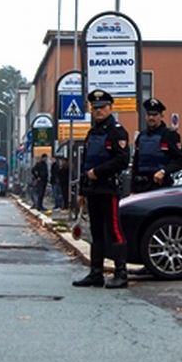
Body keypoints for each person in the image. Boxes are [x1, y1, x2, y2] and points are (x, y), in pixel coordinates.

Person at [73, 89, 132, 289]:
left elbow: (122, 160)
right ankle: (96, 273)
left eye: (102, 107)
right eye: (95, 107)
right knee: (96, 232)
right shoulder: (92, 133)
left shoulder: (117, 132)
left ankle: (121, 274)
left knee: (114, 230)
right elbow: (86, 163)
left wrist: (98, 172)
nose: (98, 111)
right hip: (93, 190)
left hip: (108, 188)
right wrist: (82, 191)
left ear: (110, 108)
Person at [131, 98, 182, 194]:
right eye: (149, 114)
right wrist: (132, 189)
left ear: (161, 116)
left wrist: (164, 171)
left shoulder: (169, 135)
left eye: (154, 115)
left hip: (160, 186)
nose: (151, 118)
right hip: (141, 187)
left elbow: (181, 161)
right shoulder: (141, 136)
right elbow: (136, 164)